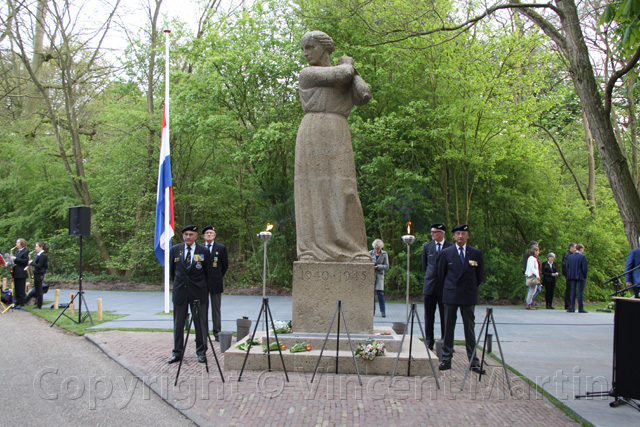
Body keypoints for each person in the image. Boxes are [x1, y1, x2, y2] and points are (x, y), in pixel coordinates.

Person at [294, 31, 372, 263]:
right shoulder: (308, 74)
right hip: (313, 130)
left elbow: (364, 95)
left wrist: (352, 71)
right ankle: (310, 249)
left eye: (310, 47)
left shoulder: (343, 74)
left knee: (344, 188)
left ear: (325, 48)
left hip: (338, 130)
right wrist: (348, 65)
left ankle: (354, 248)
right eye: (303, 49)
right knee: (311, 190)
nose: (306, 53)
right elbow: (343, 73)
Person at [437, 224, 485, 373]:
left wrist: (470, 287)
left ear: (467, 236)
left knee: (469, 329)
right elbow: (441, 274)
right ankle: (446, 359)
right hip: (451, 295)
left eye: (463, 234)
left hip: (468, 295)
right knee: (448, 328)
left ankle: (473, 361)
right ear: (453, 236)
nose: (460, 236)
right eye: (458, 234)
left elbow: (480, 276)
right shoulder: (446, 253)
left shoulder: (475, 253)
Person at [168, 225, 212, 364]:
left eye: (191, 234)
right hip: (181, 291)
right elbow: (172, 272)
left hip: (198, 292)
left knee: (200, 324)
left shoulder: (203, 251)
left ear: (196, 236)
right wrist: (178, 285)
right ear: (182, 236)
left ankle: (201, 352)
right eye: (186, 234)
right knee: (178, 323)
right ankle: (177, 352)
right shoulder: (176, 250)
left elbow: (208, 273)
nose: (188, 237)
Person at [421, 223, 452, 350]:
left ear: (442, 233)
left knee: (445, 316)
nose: (432, 234)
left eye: (435, 232)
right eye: (431, 232)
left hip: (444, 287)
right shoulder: (427, 247)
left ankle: (445, 339)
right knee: (429, 315)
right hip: (430, 287)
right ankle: (429, 339)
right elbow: (425, 266)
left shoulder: (450, 247)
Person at [202, 225, 228, 341]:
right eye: (207, 233)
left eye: (211, 233)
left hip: (215, 282)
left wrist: (217, 276)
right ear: (203, 235)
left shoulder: (221, 248)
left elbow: (225, 265)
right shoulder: (199, 248)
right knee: (202, 308)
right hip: (202, 283)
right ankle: (203, 332)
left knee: (216, 309)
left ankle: (217, 332)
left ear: (214, 235)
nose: (209, 235)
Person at [566, 244, 588, 313]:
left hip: (572, 275)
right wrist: (585, 276)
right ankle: (580, 308)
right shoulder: (583, 257)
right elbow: (584, 268)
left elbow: (567, 267)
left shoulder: (570, 257)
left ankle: (572, 307)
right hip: (580, 276)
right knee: (580, 292)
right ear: (581, 249)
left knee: (573, 291)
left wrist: (569, 274)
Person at [370, 239, 389, 317]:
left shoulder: (384, 254)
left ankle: (383, 311)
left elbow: (387, 266)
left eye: (378, 249)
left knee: (380, 293)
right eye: (375, 248)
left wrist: (378, 267)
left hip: (380, 275)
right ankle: (372, 311)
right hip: (372, 275)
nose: (376, 250)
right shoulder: (370, 253)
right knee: (372, 294)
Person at [27, 242, 49, 309]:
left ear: (41, 247)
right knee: (37, 289)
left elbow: (39, 266)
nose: (35, 248)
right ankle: (37, 303)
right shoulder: (39, 255)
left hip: (40, 274)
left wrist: (32, 263)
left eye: (36, 246)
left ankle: (39, 305)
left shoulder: (43, 255)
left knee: (39, 290)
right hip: (37, 273)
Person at [10, 238, 29, 308]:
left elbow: (25, 261)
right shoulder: (17, 252)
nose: (16, 244)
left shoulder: (25, 251)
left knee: (21, 288)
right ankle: (17, 302)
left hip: (21, 272)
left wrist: (15, 259)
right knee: (17, 288)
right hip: (16, 272)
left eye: (18, 243)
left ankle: (22, 302)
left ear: (22, 244)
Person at [562, 243, 576, 309]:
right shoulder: (567, 254)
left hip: (570, 274)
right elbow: (565, 265)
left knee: (570, 289)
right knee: (569, 289)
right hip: (569, 274)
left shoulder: (570, 255)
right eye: (574, 247)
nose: (575, 249)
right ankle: (567, 304)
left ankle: (569, 303)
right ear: (571, 247)